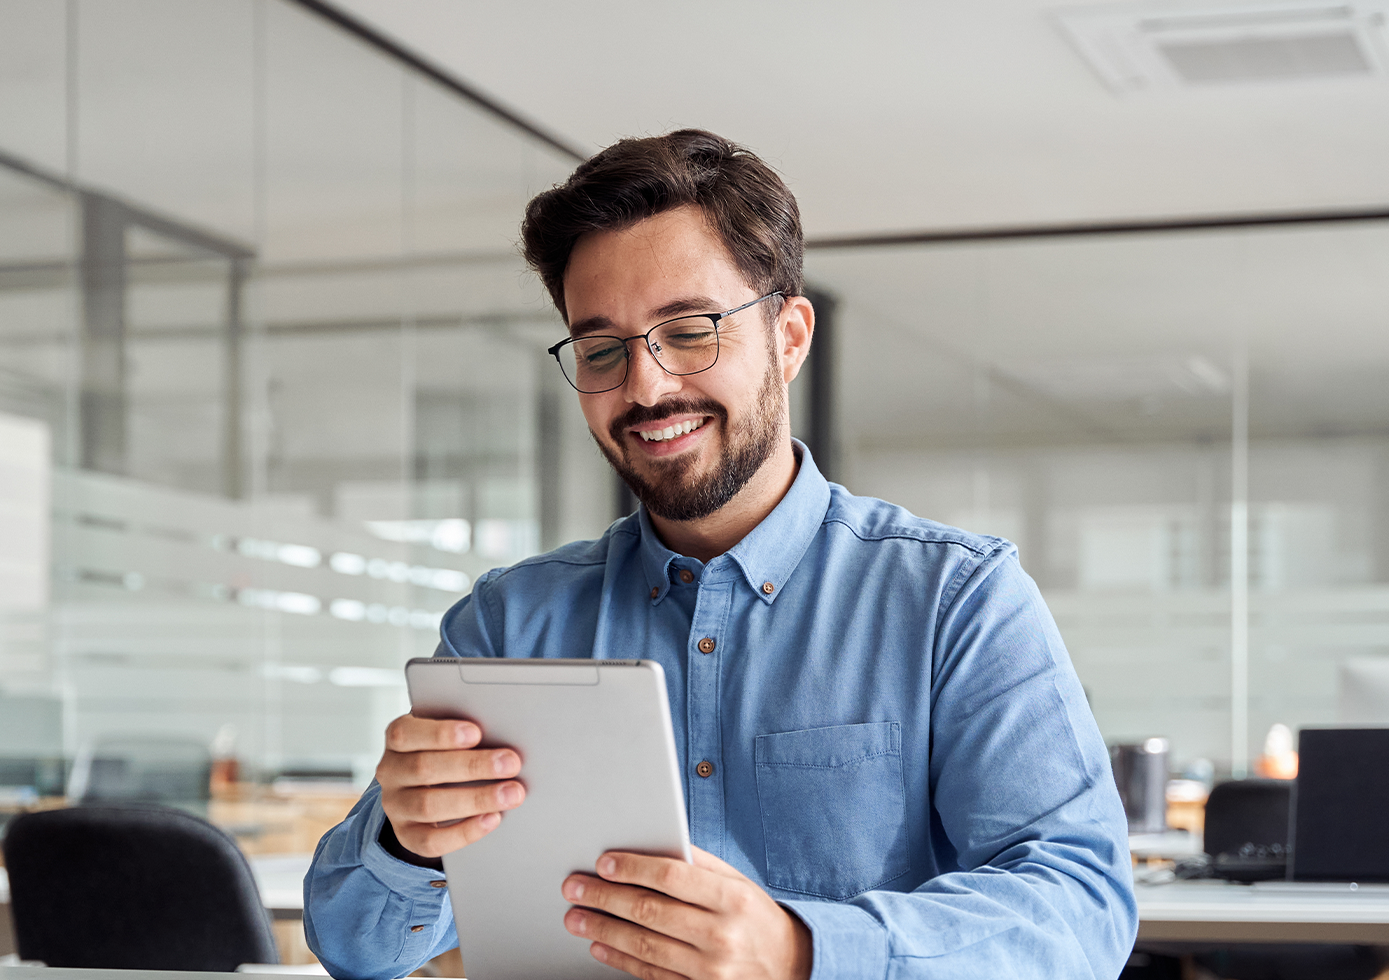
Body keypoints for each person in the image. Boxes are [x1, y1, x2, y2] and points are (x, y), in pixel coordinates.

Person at [304, 129, 1137, 980]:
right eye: (602, 349)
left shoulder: (957, 599)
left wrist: (799, 950)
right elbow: (353, 946)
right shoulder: (509, 620)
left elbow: (1080, 912)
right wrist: (409, 843)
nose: (646, 386)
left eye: (690, 330)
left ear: (790, 337)